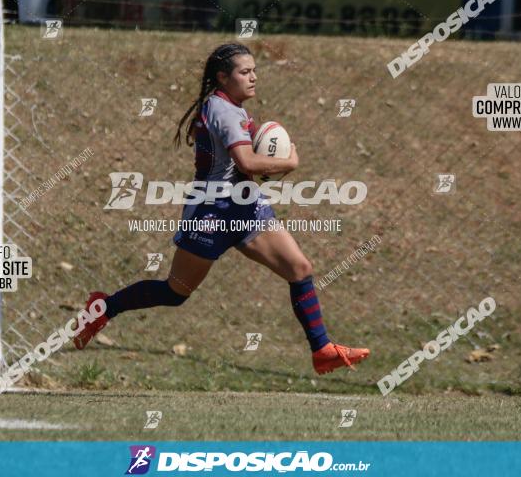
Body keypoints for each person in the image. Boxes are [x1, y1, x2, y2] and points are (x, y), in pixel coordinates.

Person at [73, 43, 369, 375]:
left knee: (299, 269)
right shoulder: (224, 111)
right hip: (211, 214)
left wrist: (267, 152)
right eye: (245, 72)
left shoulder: (232, 107)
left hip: (244, 206)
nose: (254, 77)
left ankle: (322, 350)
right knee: (175, 292)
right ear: (222, 77)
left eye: (255, 70)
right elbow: (246, 161)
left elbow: (245, 163)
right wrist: (288, 161)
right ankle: (103, 308)